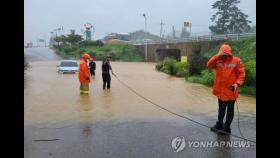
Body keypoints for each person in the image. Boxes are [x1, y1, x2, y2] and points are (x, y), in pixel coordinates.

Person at [207, 44, 245, 134]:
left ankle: (227, 128)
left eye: (225, 53)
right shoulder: (218, 60)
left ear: (229, 53)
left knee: (230, 110)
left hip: (231, 91)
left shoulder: (237, 61)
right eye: (222, 53)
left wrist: (237, 83)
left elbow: (241, 74)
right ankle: (219, 124)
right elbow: (209, 64)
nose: (224, 55)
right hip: (220, 91)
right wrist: (217, 55)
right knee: (221, 108)